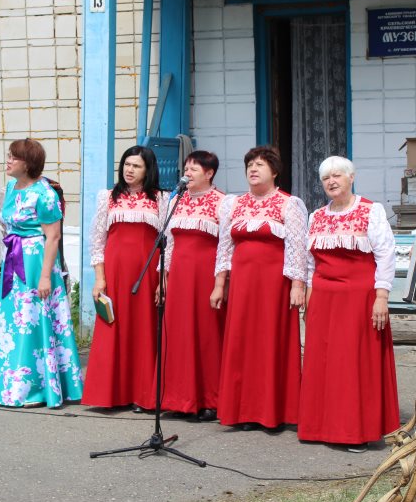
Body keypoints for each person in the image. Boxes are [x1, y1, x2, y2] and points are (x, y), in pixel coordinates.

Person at [299, 156, 399, 452]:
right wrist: (308, 295)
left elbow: (386, 255)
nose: (331, 181)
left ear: (351, 177)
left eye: (337, 175)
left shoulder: (371, 210)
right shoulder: (316, 216)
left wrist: (382, 296)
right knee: (324, 363)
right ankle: (320, 426)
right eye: (326, 178)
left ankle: (355, 430)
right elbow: (308, 262)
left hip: (359, 298)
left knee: (352, 364)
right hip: (324, 297)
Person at [215, 146, 308, 429]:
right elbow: (224, 246)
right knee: (242, 341)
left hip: (274, 284)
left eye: (260, 165)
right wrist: (220, 284)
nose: (253, 170)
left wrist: (297, 284)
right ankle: (243, 410)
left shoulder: (288, 204)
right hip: (242, 283)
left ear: (275, 171)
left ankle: (273, 412)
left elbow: (297, 246)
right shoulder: (234, 204)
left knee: (271, 341)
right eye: (250, 166)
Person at [0, 138, 83, 408]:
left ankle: (37, 387)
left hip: (36, 259)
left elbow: (53, 237)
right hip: (13, 259)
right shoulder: (10, 187)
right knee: (13, 321)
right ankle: (10, 386)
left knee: (33, 319)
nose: (8, 161)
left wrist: (44, 277)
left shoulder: (44, 194)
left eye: (13, 157)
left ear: (28, 164)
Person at [82, 146, 167, 411]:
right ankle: (109, 394)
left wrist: (163, 278)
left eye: (137, 166)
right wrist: (99, 278)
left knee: (144, 329)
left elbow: (168, 242)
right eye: (127, 164)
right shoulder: (108, 197)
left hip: (146, 272)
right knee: (112, 327)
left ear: (148, 170)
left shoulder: (160, 199)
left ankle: (143, 394)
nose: (129, 170)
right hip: (115, 272)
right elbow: (97, 239)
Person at [160, 150, 228, 421]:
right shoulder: (175, 200)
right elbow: (168, 242)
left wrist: (220, 281)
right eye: (186, 168)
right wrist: (162, 278)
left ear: (209, 173)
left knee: (207, 334)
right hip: (179, 275)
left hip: (206, 275)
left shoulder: (223, 202)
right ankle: (177, 398)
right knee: (178, 333)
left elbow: (226, 245)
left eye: (194, 169)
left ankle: (210, 400)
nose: (187, 173)